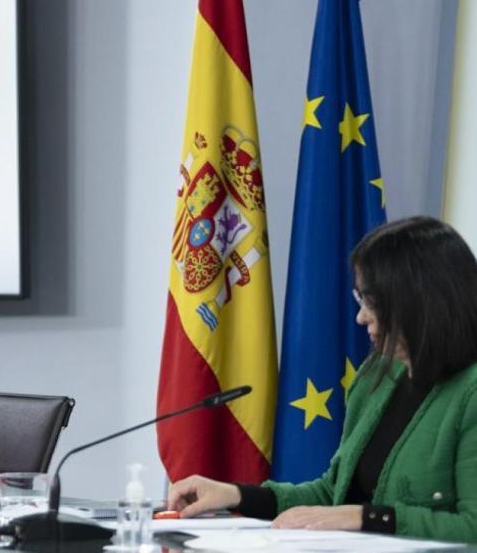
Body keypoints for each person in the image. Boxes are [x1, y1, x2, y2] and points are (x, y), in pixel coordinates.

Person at [167, 216, 477, 543]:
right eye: (362, 300)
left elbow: (472, 528)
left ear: (419, 300)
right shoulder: (377, 375)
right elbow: (333, 492)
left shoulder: (469, 393)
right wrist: (236, 495)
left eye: (373, 302)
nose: (361, 316)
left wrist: (363, 515)